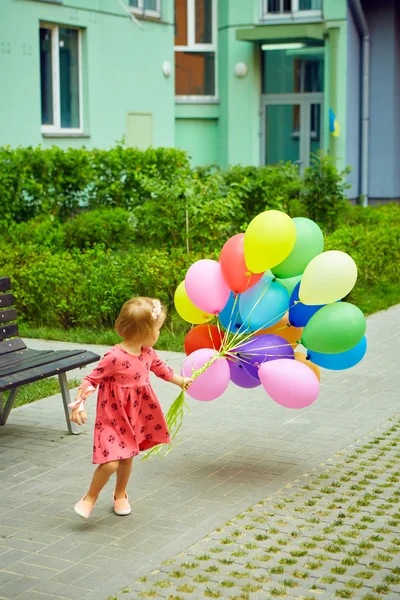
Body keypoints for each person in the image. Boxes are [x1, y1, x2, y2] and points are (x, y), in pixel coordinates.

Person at [69, 297, 192, 519]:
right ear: (145, 331)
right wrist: (79, 403)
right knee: (110, 464)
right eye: (158, 329)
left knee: (126, 457)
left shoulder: (147, 353)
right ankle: (90, 497)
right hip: (112, 417)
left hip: (135, 415)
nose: (159, 333)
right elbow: (91, 379)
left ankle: (121, 494)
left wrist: (181, 381)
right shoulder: (114, 357)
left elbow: (162, 370)